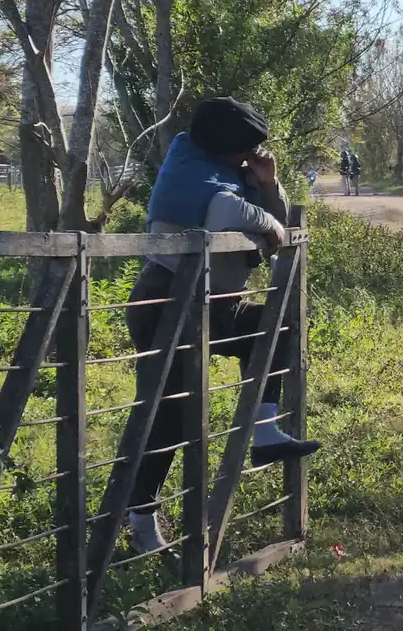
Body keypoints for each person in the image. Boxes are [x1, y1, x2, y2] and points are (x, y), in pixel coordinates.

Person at [123, 97, 321, 553]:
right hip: (166, 301)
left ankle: (265, 429)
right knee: (169, 416)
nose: (249, 157)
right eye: (245, 148)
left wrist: (269, 186)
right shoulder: (190, 171)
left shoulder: (227, 172)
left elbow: (280, 219)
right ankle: (140, 520)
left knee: (277, 331)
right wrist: (268, 226)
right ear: (224, 146)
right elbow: (224, 214)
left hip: (214, 302)